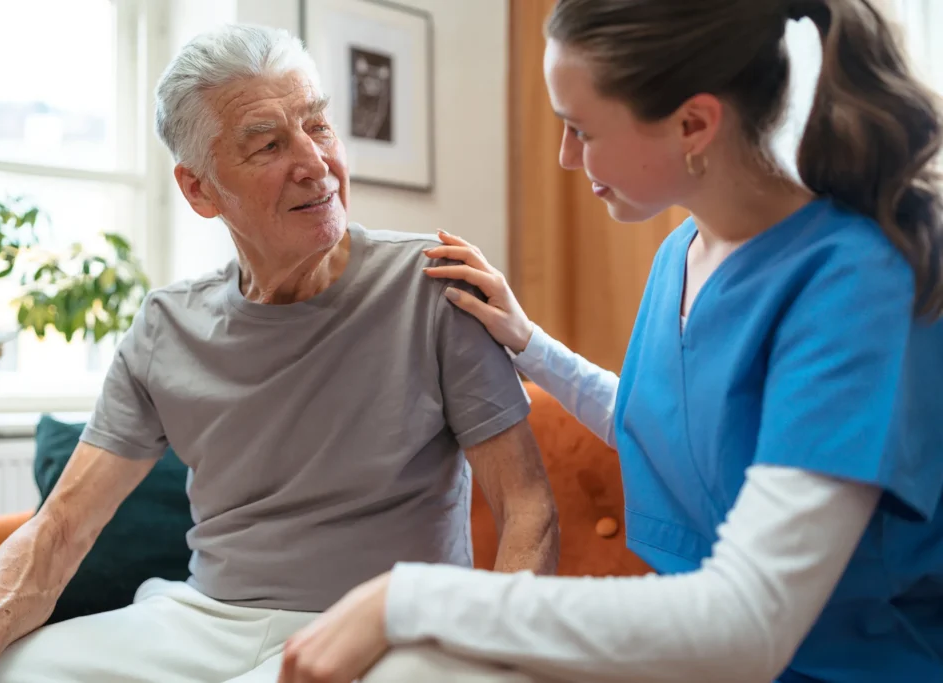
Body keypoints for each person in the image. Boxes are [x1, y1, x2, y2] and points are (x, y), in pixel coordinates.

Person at [277, 0, 943, 681]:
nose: (567, 157)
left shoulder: (856, 283)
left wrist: (411, 594)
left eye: (581, 129)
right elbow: (674, 431)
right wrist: (529, 343)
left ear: (693, 123)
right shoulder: (684, 252)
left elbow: (750, 623)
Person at [0, 24, 560, 683]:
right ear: (199, 189)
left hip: (385, 627)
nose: (315, 160)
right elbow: (61, 530)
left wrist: (489, 654)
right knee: (11, 672)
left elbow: (527, 506)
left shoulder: (434, 284)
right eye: (269, 144)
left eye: (319, 126)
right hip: (206, 619)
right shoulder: (167, 324)